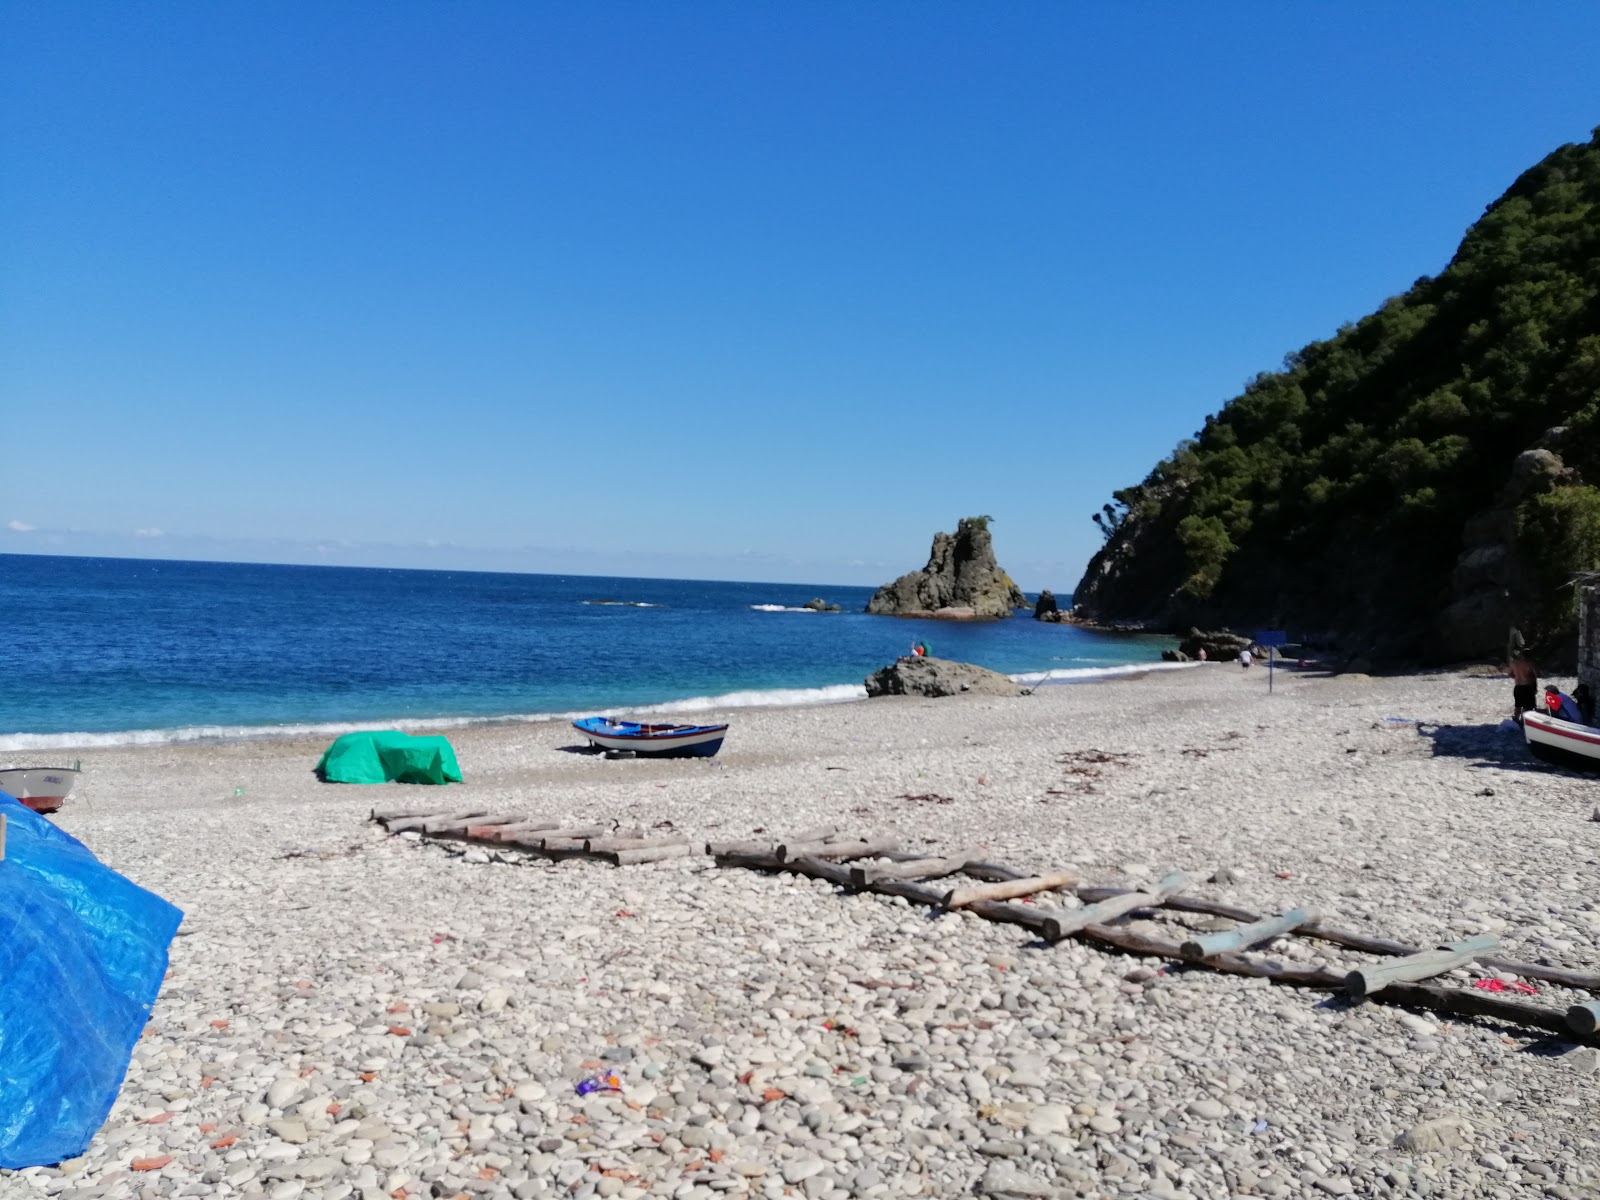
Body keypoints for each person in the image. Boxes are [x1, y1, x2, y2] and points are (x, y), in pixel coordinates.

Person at [1510, 652, 1538, 724]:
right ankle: (1524, 722)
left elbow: (1511, 674)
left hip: (1517, 687)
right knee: (1527, 706)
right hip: (1527, 687)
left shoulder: (1513, 664)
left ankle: (1515, 721)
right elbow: (1533, 676)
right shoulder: (1528, 664)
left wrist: (1518, 677)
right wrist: (1535, 688)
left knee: (1518, 706)